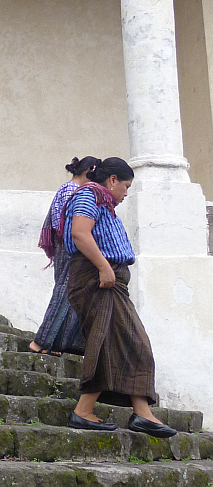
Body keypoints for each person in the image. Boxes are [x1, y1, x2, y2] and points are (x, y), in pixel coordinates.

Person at [62, 157, 176, 438]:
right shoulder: (89, 195)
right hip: (96, 280)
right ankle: (84, 410)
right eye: (125, 186)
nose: (126, 193)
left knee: (133, 343)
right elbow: (79, 233)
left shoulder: (103, 202)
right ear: (112, 180)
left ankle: (141, 413)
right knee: (109, 342)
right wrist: (103, 267)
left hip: (110, 282)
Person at [30, 156, 99, 356]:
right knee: (64, 292)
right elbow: (65, 223)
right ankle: (41, 340)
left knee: (74, 293)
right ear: (89, 172)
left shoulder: (72, 189)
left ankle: (63, 343)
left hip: (72, 247)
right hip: (69, 247)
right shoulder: (70, 190)